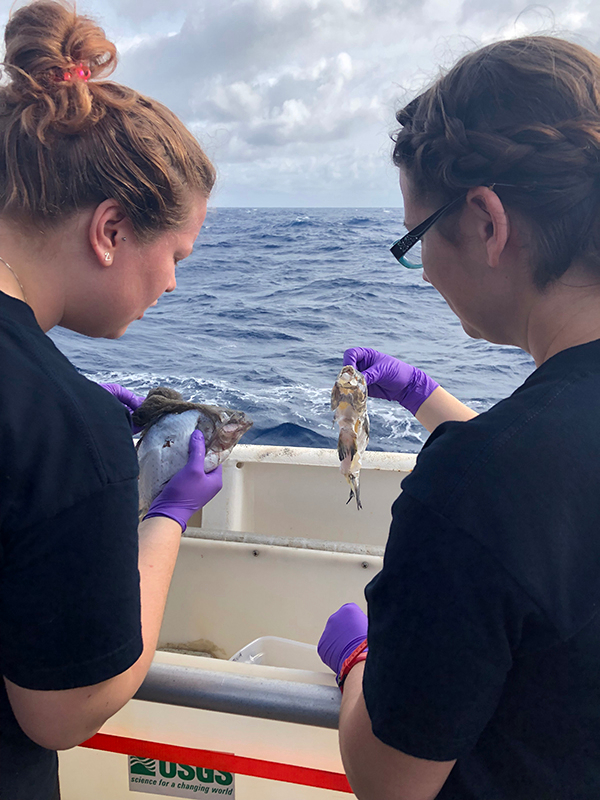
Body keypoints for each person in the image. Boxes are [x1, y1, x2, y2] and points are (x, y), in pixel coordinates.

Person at [318, 35, 600, 800]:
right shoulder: (513, 469)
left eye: (414, 239)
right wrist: (423, 398)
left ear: (484, 220)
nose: (424, 270)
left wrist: (356, 664)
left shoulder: (479, 485)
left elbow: (390, 779)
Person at [0, 2, 223, 798]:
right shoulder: (66, 430)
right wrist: (164, 516)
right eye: (176, 255)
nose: (171, 283)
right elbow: (60, 714)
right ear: (112, 228)